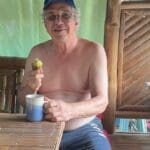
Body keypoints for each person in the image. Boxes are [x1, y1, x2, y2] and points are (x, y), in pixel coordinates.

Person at [18, 0, 111, 149]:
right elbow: (23, 99)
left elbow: (102, 101)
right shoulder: (37, 52)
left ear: (76, 21)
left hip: (84, 131)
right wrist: (30, 87)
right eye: (51, 16)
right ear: (45, 23)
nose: (58, 21)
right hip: (42, 129)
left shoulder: (94, 51)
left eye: (65, 15)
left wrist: (69, 110)